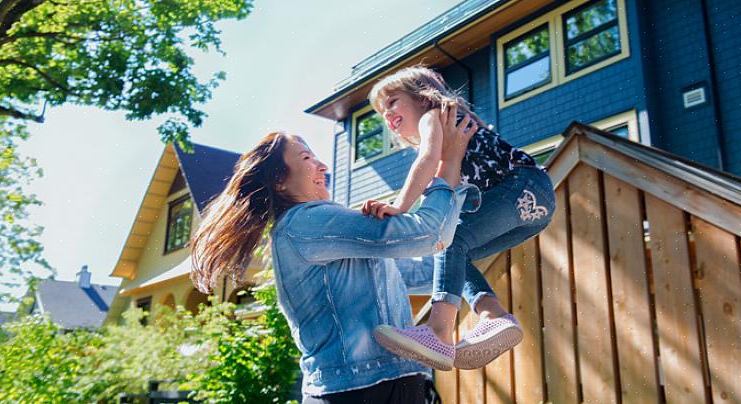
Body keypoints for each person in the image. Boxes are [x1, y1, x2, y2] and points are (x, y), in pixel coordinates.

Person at [189, 109, 479, 403]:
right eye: (306, 159)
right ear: (279, 181)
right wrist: (448, 161)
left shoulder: (331, 233)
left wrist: (480, 239)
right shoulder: (304, 222)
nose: (323, 166)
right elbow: (430, 234)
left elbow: (422, 271)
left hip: (394, 384)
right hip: (356, 392)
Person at [364, 65, 556, 371]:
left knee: (449, 242)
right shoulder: (451, 126)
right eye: (381, 112)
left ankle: (439, 331)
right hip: (535, 209)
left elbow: (426, 161)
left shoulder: (434, 116)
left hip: (523, 186)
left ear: (422, 96)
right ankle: (492, 315)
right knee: (455, 253)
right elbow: (445, 191)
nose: (387, 115)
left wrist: (399, 206)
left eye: (392, 102)